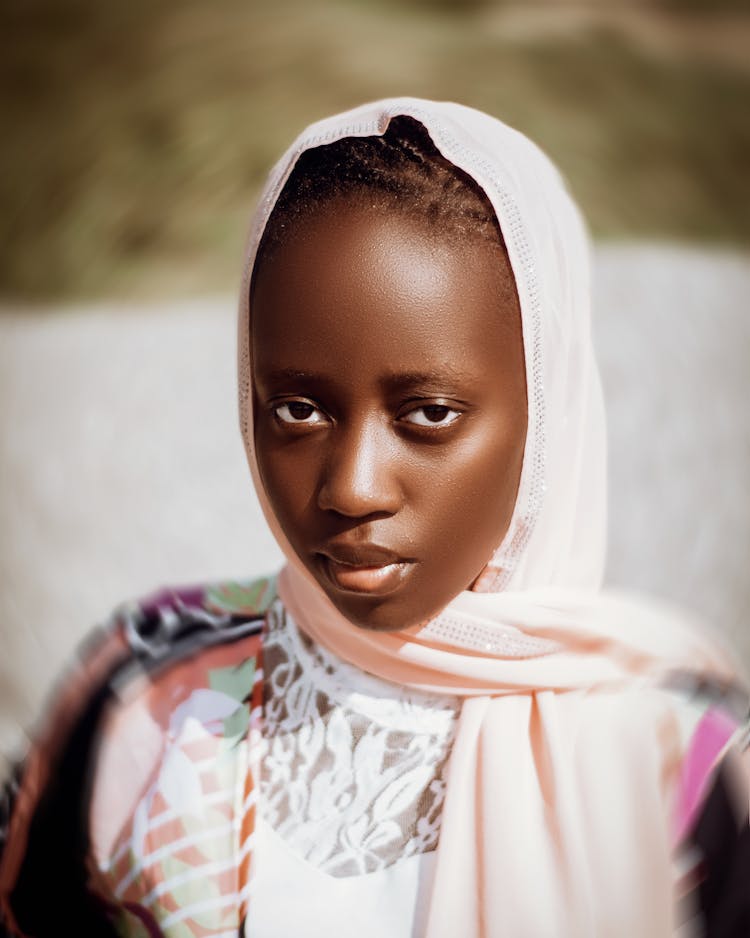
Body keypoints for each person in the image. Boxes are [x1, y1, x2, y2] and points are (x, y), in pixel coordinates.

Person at [1, 98, 748, 937]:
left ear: (549, 413)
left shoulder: (680, 765)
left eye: (428, 414)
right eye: (296, 409)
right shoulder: (146, 690)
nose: (351, 489)